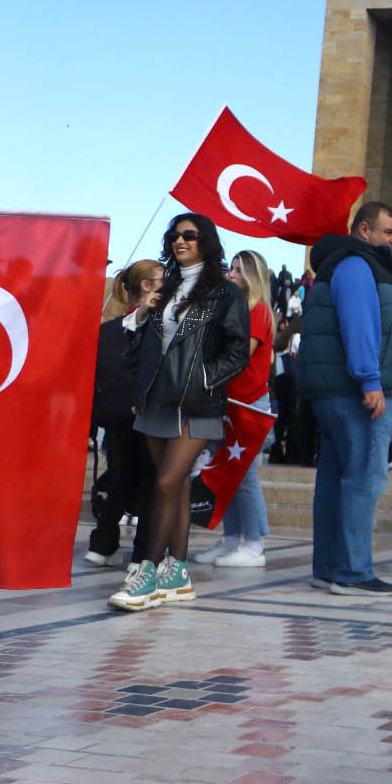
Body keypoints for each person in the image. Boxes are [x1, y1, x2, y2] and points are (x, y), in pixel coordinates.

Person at [108, 215, 249, 612]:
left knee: (167, 482)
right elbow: (136, 348)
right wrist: (141, 315)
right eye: (175, 235)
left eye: (189, 235)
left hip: (198, 402)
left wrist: (204, 376)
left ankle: (148, 571)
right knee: (177, 484)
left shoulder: (224, 292)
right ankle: (179, 572)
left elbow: (238, 352)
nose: (180, 240)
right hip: (157, 399)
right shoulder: (166, 288)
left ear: (206, 240)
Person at [297, 200, 392, 597]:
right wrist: (370, 380)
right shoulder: (356, 264)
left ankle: (329, 567)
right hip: (356, 393)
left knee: (337, 480)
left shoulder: (350, 264)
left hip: (338, 391)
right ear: (363, 230)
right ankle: (352, 571)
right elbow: (359, 322)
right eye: (388, 232)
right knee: (365, 477)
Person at [193, 249, 276, 568]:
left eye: (238, 271)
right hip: (227, 400)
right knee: (226, 471)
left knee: (245, 474)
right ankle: (231, 540)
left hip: (248, 402)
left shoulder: (257, 312)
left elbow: (240, 353)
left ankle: (254, 545)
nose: (231, 275)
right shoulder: (237, 307)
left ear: (252, 277)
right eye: (231, 268)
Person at [85, 260, 161, 568]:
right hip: (143, 412)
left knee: (119, 478)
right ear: (146, 285)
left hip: (116, 414)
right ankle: (141, 552)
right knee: (147, 482)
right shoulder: (148, 326)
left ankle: (103, 543)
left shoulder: (108, 330)